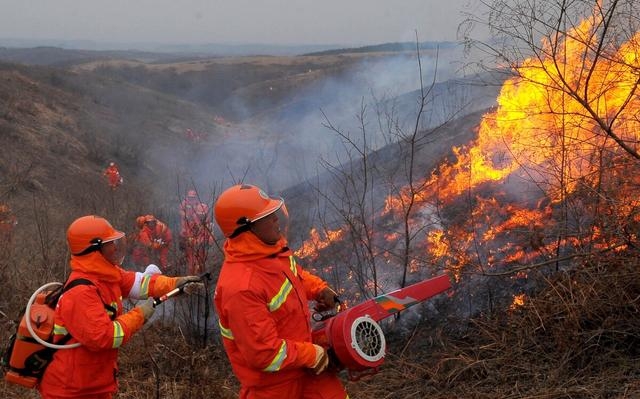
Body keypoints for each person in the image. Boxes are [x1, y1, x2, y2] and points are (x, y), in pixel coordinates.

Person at [38, 215, 203, 399]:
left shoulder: (106, 275)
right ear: (95, 249)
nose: (115, 248)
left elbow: (141, 283)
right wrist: (140, 314)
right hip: (70, 390)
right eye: (110, 243)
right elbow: (105, 337)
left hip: (92, 384)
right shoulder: (81, 292)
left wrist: (176, 284)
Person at [213, 184, 348, 399]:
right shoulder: (241, 288)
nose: (276, 219)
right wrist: (313, 354)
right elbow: (264, 353)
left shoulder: (270, 251)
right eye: (267, 216)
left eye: (274, 213)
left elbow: (295, 275)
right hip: (275, 387)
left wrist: (319, 289)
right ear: (246, 228)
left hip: (305, 368)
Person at [179, 189, 212, 274]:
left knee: (201, 263)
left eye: (203, 215)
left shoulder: (208, 222)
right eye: (190, 197)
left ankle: (201, 276)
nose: (201, 217)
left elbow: (210, 235)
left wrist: (206, 242)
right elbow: (187, 233)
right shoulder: (192, 222)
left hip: (202, 246)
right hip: (192, 245)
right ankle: (191, 277)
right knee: (191, 263)